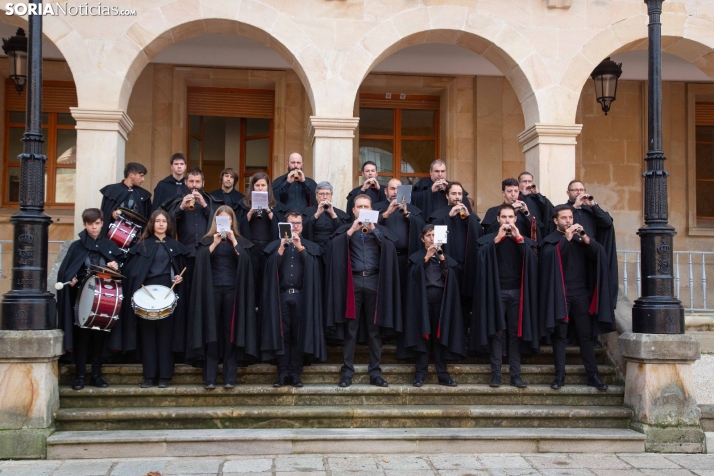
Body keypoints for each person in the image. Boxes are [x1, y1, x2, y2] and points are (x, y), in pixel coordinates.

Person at [324, 194, 402, 388]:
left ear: (372, 210)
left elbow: (391, 251)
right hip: (354, 282)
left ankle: (375, 372)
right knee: (351, 330)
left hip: (375, 282)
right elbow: (332, 251)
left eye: (366, 206)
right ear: (353, 210)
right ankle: (347, 372)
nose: (362, 209)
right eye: (359, 206)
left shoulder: (381, 231)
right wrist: (351, 230)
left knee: (374, 331)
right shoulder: (345, 231)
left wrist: (375, 230)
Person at [539, 205, 616, 392]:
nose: (568, 221)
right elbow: (550, 259)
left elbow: (599, 255)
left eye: (570, 217)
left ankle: (593, 376)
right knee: (560, 337)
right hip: (561, 296)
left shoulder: (581, 239)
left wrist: (586, 238)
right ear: (555, 221)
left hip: (581, 294)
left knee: (586, 337)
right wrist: (566, 239)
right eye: (563, 218)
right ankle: (559, 376)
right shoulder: (550, 241)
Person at [110, 210, 190, 388]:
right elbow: (131, 271)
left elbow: (184, 270)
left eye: (164, 221)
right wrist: (138, 280)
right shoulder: (142, 246)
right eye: (158, 221)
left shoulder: (175, 245)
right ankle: (149, 376)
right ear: (152, 224)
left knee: (166, 336)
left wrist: (180, 278)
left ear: (168, 225)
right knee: (147, 337)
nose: (161, 224)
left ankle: (165, 377)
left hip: (169, 294)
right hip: (146, 295)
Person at [187, 206, 257, 389]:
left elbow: (246, 262)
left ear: (233, 221)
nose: (225, 223)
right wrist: (215, 243)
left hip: (233, 291)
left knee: (230, 332)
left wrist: (234, 241)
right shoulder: (207, 241)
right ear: (216, 222)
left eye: (228, 220)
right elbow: (201, 261)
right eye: (221, 220)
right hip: (212, 291)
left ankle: (229, 376)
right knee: (212, 332)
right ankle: (210, 377)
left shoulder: (240, 241)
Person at [471, 204, 539, 389]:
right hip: (496, 293)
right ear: (498, 219)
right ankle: (496, 375)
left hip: (518, 293)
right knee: (497, 334)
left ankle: (515, 375)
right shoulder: (488, 241)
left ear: (516, 219)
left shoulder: (523, 241)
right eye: (504, 217)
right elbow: (481, 261)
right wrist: (498, 239)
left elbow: (532, 262)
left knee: (515, 334)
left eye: (510, 217)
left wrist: (518, 239)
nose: (507, 221)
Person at [56, 208, 122, 390]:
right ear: (85, 224)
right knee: (82, 338)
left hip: (105, 301)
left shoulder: (109, 245)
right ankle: (80, 376)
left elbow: (122, 270)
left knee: (99, 338)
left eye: (97, 224)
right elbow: (66, 272)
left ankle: (96, 375)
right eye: (91, 224)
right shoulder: (76, 247)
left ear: (102, 223)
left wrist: (115, 266)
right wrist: (72, 279)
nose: (94, 228)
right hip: (81, 298)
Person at [260, 211, 325, 387]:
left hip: (302, 297)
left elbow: (313, 271)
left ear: (302, 226)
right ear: (284, 226)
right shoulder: (274, 246)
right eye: (291, 223)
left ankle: (295, 373)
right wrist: (282, 248)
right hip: (280, 297)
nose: (295, 226)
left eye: (298, 223)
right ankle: (282, 373)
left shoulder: (309, 247)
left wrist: (300, 247)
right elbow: (269, 272)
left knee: (298, 336)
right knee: (282, 336)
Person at [398, 225, 466, 387]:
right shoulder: (416, 257)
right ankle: (420, 374)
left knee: (440, 337)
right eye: (429, 235)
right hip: (422, 301)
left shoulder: (447, 258)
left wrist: (442, 259)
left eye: (435, 235)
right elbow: (413, 278)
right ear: (422, 239)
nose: (432, 238)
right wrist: (427, 258)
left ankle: (443, 374)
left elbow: (452, 280)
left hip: (442, 302)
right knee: (423, 336)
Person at [430, 182, 483, 333]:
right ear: (447, 195)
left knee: (465, 303)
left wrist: (468, 219)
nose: (457, 197)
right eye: (454, 194)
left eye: (460, 194)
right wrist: (449, 217)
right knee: (448, 302)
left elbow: (478, 235)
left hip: (467, 267)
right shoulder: (439, 215)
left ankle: (464, 334)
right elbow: (437, 240)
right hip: (447, 267)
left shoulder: (469, 215)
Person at [559, 180, 618, 305]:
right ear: (568, 192)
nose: (579, 192)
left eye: (581, 190)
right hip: (572, 254)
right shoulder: (564, 209)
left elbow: (607, 223)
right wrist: (575, 206)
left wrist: (593, 205)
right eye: (575, 190)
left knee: (591, 288)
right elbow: (559, 223)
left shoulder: (591, 210)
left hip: (590, 253)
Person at [373, 179, 426, 311]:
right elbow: (368, 227)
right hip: (383, 259)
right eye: (392, 189)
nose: (395, 192)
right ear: (385, 191)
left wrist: (407, 215)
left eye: (398, 189)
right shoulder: (377, 208)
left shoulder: (413, 210)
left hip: (406, 259)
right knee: (386, 292)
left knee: (405, 293)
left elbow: (423, 229)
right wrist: (387, 213)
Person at [236, 172, 287, 303]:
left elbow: (280, 227)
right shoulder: (243, 204)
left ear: (268, 187)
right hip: (251, 247)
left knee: (267, 280)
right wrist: (251, 211)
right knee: (251, 280)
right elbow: (238, 226)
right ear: (252, 187)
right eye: (257, 185)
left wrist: (268, 210)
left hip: (269, 248)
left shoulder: (276, 205)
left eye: (263, 185)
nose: (260, 188)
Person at [164, 168, 221, 257]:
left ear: (203, 183)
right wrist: (181, 207)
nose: (194, 185)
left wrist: (204, 205)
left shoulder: (211, 202)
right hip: (184, 250)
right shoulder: (178, 201)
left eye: (197, 182)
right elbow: (168, 222)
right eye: (191, 181)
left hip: (207, 251)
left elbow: (220, 223)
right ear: (185, 182)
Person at [99, 162, 152, 238]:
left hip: (136, 237)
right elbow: (104, 214)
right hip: (113, 235)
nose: (143, 179)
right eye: (141, 176)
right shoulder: (112, 190)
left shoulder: (144, 194)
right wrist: (112, 213)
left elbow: (147, 218)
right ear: (131, 175)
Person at [301, 182, 350, 251]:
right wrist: (317, 214)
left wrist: (333, 214)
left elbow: (343, 232)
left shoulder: (340, 213)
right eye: (321, 194)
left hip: (333, 248)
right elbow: (303, 229)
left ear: (331, 195)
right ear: (316, 196)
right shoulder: (306, 212)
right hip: (313, 248)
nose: (325, 197)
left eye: (327, 194)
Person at [517, 171, 555, 240]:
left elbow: (548, 209)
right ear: (519, 183)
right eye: (524, 181)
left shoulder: (537, 197)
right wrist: (523, 195)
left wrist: (537, 193)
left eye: (529, 181)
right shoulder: (516, 196)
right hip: (522, 231)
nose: (527, 184)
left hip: (538, 232)